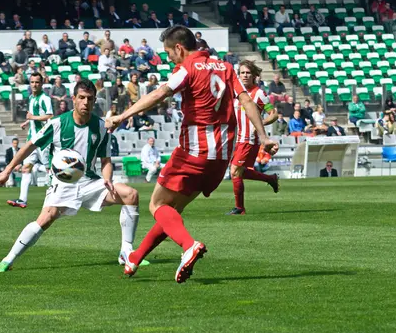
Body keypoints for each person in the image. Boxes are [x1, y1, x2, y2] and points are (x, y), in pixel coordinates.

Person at [105, 25, 278, 283]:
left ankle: (188, 246)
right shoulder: (226, 67)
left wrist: (122, 115)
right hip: (220, 158)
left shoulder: (186, 68)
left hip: (194, 151)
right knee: (173, 211)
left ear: (179, 48)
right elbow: (247, 102)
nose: (168, 58)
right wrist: (263, 137)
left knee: (157, 205)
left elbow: (161, 92)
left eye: (168, 53)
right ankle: (135, 257)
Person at [0, 79, 144, 273]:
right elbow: (30, 145)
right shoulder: (57, 124)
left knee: (130, 195)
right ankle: (9, 259)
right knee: (45, 218)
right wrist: (7, 170)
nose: (85, 103)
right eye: (81, 98)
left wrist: (107, 177)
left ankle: (126, 251)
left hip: (90, 182)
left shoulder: (100, 127)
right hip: (62, 184)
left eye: (89, 99)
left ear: (94, 100)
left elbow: (106, 160)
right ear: (73, 99)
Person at [227, 60, 279, 215]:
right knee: (239, 171)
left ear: (254, 75)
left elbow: (274, 114)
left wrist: (260, 123)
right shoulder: (237, 93)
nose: (244, 75)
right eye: (242, 72)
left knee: (235, 171)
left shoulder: (259, 94)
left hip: (249, 139)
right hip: (237, 138)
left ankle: (240, 208)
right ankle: (270, 179)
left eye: (248, 73)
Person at [8, 73, 54, 208]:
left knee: (49, 170)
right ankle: (22, 200)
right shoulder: (31, 98)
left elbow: (49, 116)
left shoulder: (45, 98)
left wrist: (32, 117)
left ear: (41, 84)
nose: (34, 85)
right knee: (26, 168)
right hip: (32, 139)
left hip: (43, 140)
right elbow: (33, 116)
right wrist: (27, 122)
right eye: (32, 82)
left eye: (37, 82)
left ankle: (54, 200)